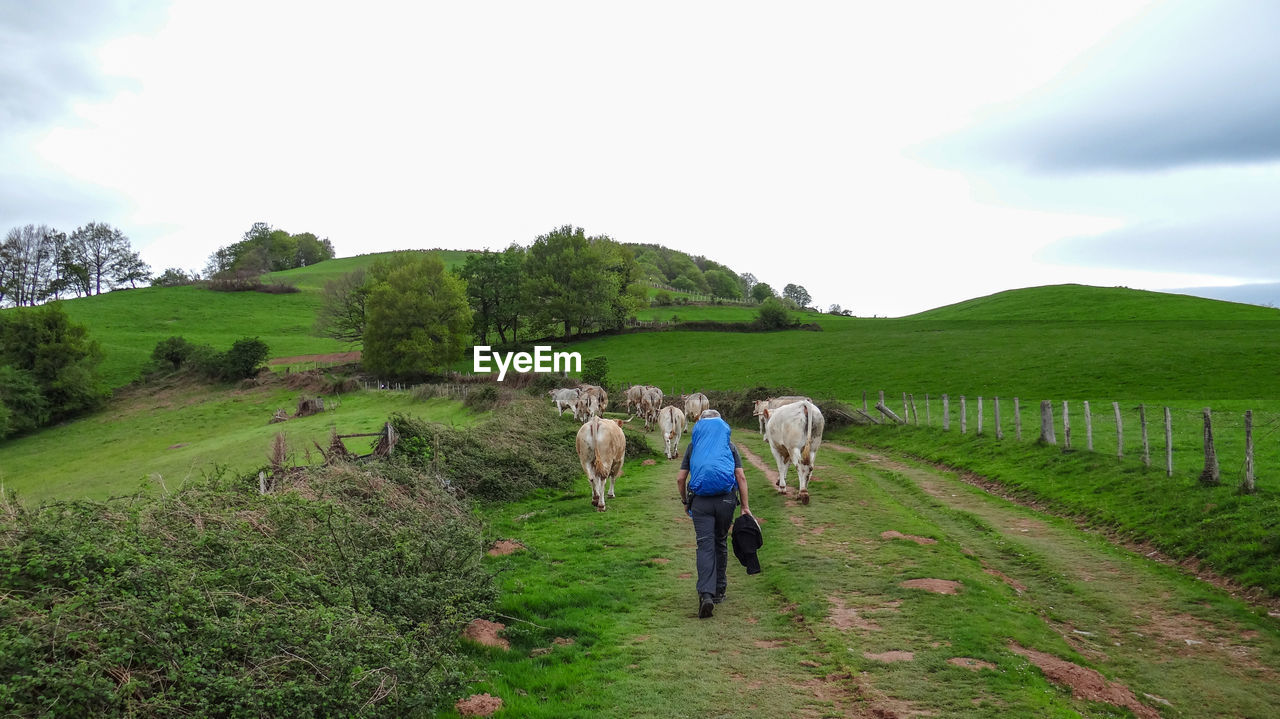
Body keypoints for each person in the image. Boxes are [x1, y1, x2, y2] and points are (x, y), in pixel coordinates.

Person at [676, 409, 751, 618]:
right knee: (720, 541)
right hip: (726, 500)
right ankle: (719, 590)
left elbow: (681, 478)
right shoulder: (729, 446)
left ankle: (706, 594)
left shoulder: (693, 447)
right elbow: (740, 477)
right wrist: (745, 506)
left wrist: (685, 501)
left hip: (700, 502)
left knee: (705, 545)